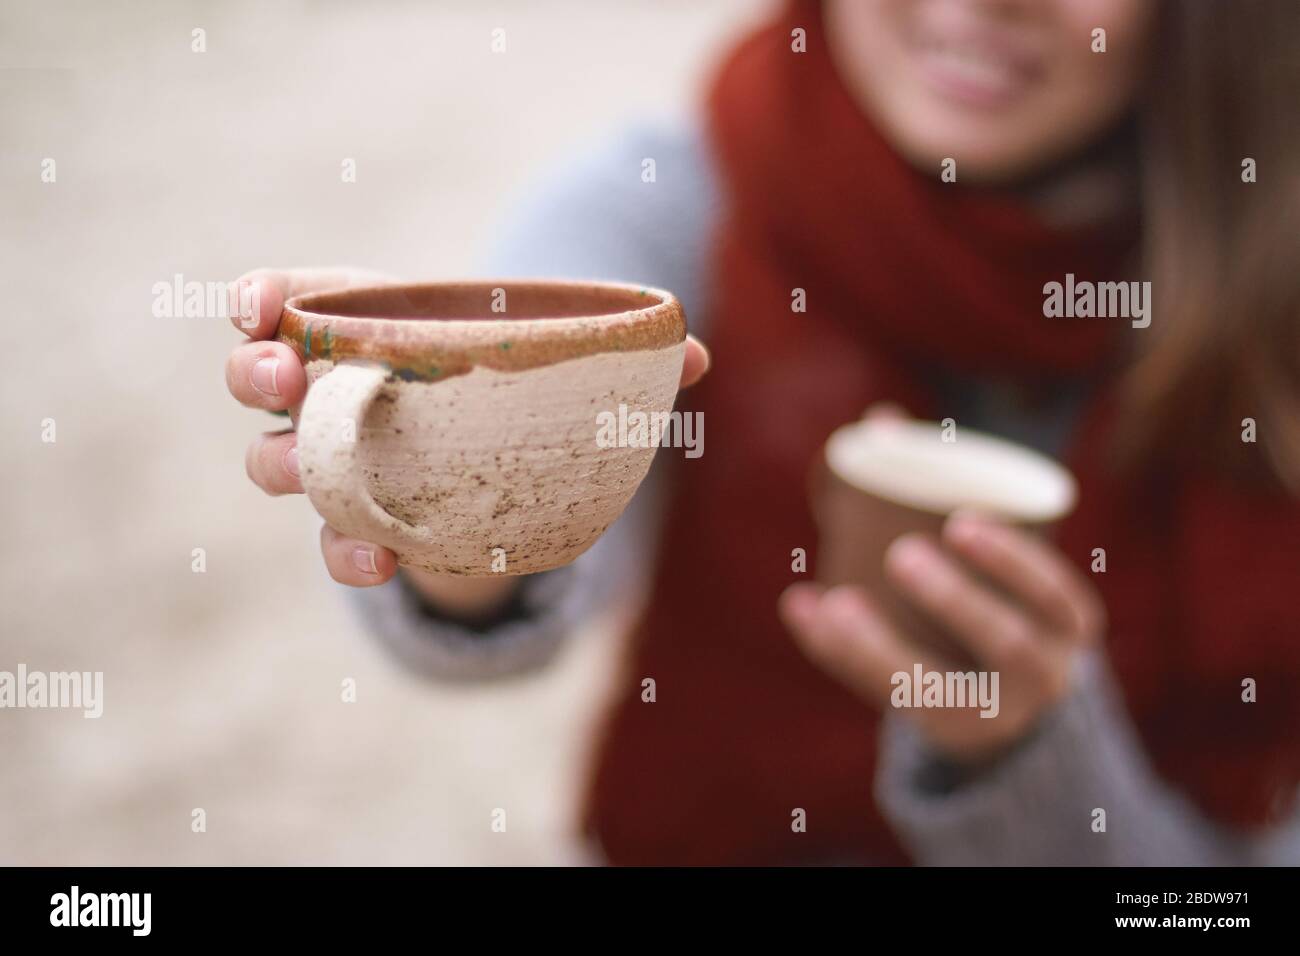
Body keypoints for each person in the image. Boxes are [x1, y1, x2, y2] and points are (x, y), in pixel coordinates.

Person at [224, 0, 1300, 864]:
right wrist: (440, 488)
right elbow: (493, 630)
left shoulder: (1269, 295)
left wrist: (1022, 751)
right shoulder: (673, 200)